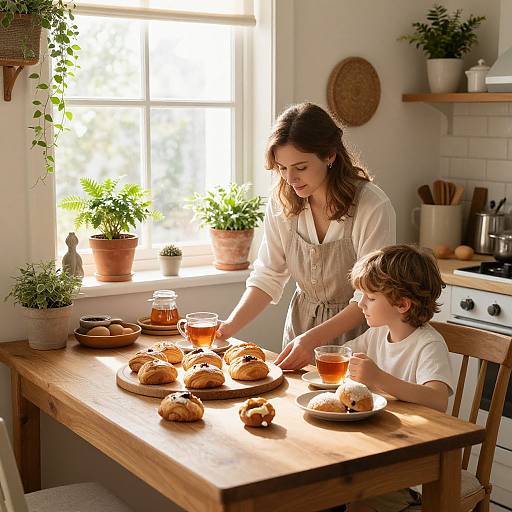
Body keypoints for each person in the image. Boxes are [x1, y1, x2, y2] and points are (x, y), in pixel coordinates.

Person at [216, 102, 396, 369]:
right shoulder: (281, 203)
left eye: (300, 167)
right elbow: (268, 276)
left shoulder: (371, 206)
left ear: (329, 155)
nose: (291, 179)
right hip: (300, 334)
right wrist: (228, 327)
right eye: (282, 168)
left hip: (360, 339)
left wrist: (311, 340)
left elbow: (369, 297)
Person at [343, 244, 454, 512]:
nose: (360, 304)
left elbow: (438, 399)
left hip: (413, 471)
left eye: (369, 297)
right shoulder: (378, 334)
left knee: (353, 495)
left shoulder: (428, 344)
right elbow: (345, 358)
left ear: (402, 304)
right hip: (379, 450)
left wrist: (379, 378)